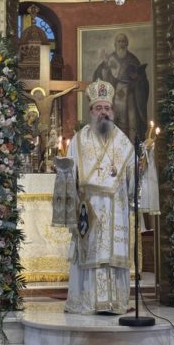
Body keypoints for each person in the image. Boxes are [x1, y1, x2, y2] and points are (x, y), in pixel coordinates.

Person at [63, 79, 135, 315]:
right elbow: (70, 175)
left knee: (112, 255)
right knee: (91, 252)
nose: (103, 112)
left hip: (116, 209)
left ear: (112, 111)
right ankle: (88, 302)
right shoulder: (78, 140)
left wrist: (143, 166)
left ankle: (116, 302)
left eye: (107, 108)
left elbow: (133, 177)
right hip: (90, 209)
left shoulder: (123, 141)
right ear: (91, 111)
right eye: (98, 108)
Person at [93, 32, 149, 142]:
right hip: (113, 96)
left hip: (130, 96)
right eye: (119, 41)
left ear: (127, 44)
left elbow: (143, 81)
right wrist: (105, 68)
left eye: (123, 41)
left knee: (132, 121)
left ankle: (131, 146)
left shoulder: (133, 59)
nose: (121, 44)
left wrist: (137, 80)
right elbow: (98, 77)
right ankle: (114, 145)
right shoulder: (110, 59)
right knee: (113, 120)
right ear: (115, 44)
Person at [24, 83, 78, 164]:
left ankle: (43, 159)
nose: (37, 96)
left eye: (37, 94)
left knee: (45, 142)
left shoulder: (50, 98)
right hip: (40, 123)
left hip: (47, 123)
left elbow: (62, 93)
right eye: (35, 95)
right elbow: (27, 95)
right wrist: (17, 89)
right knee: (42, 141)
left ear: (41, 93)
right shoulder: (37, 100)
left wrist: (73, 87)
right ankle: (41, 159)